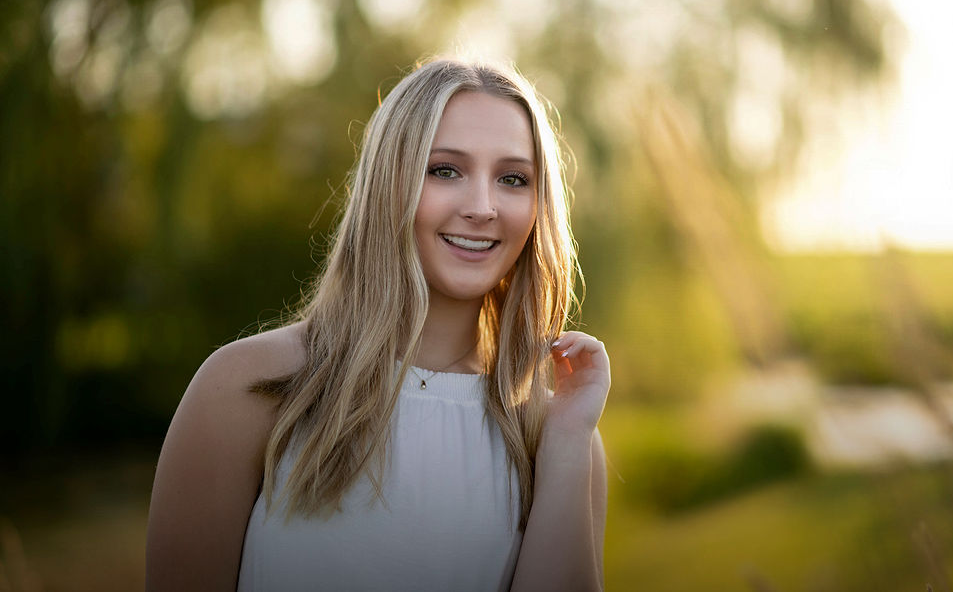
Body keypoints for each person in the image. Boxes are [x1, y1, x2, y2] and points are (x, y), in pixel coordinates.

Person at [145, 57, 610, 591]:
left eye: (512, 178)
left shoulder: (557, 437)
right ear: (387, 184)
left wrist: (569, 439)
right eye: (445, 170)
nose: (483, 207)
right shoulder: (244, 388)